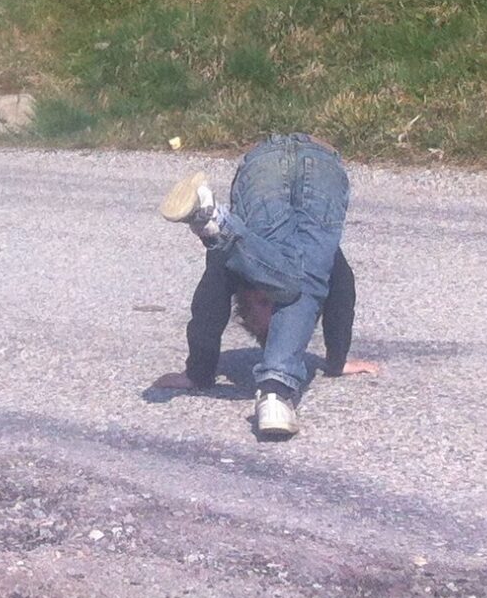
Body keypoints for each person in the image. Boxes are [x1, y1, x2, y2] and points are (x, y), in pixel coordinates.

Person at [150, 133, 371, 440]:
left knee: (294, 277)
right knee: (304, 280)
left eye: (266, 306)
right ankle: (276, 390)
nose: (277, 300)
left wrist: (198, 373)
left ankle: (215, 222)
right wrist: (337, 360)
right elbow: (342, 288)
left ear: (244, 306)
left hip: (263, 164)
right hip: (321, 166)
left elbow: (208, 305)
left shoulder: (238, 265)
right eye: (275, 307)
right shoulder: (313, 265)